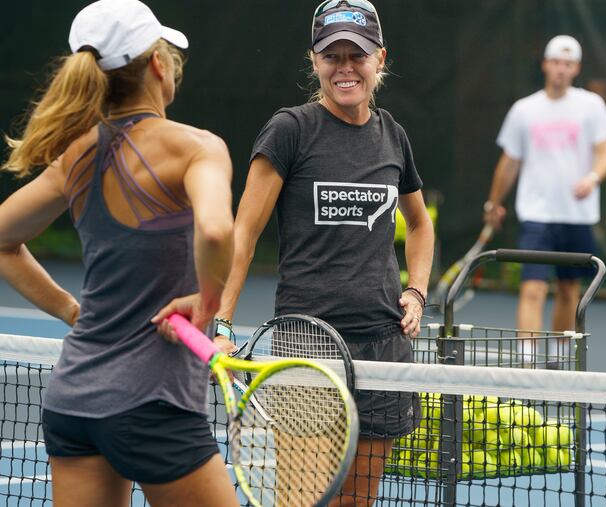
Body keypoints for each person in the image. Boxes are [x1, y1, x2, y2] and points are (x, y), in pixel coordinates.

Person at [0, 1, 237, 506]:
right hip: (154, 409)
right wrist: (208, 305)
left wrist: (71, 311)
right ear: (157, 63)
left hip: (74, 405)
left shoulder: (76, 158)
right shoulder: (198, 148)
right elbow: (217, 231)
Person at [214, 1, 435, 504]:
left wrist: (417, 291)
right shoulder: (290, 130)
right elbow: (241, 235)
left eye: (355, 55)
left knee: (357, 501)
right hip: (307, 346)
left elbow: (420, 225)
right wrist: (223, 326)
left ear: (380, 59)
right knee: (305, 500)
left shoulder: (393, 136)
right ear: (314, 62)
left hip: (384, 347)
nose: (345, 67)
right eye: (331, 56)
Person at [483, 35, 606, 364]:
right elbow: (510, 162)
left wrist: (592, 177)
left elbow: (605, 155)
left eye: (568, 64)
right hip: (536, 214)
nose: (561, 69)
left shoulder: (592, 106)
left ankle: (557, 360)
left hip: (578, 216)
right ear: (545, 65)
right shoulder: (524, 110)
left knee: (569, 290)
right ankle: (527, 362)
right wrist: (493, 203)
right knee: (532, 288)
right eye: (556, 62)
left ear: (576, 69)